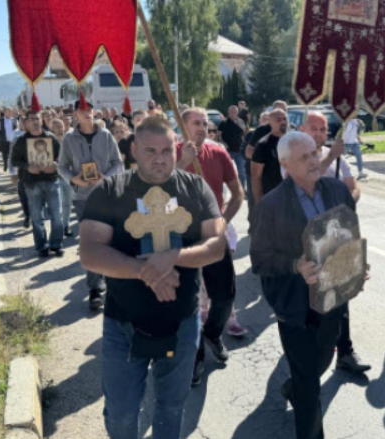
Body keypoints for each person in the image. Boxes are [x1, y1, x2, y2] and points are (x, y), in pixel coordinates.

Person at [79, 116, 225, 439]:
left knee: (171, 408)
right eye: (149, 151)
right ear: (133, 150)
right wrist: (147, 270)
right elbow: (89, 251)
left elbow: (217, 245)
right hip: (123, 323)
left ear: (176, 149)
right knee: (120, 413)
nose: (160, 159)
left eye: (166, 151)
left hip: (182, 321)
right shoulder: (112, 190)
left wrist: (174, 257)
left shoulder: (194, 188)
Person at [250, 131, 362, 439]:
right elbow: (259, 259)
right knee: (310, 387)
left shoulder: (337, 189)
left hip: (333, 298)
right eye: (305, 157)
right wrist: (294, 266)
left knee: (321, 362)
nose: (315, 161)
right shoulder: (271, 206)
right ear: (285, 164)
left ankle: (293, 387)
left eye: (315, 153)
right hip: (296, 306)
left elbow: (350, 233)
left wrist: (356, 266)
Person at [175, 108, 247, 385]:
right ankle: (195, 359)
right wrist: (182, 163)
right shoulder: (170, 153)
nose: (203, 127)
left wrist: (223, 221)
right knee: (190, 301)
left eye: (205, 123)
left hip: (214, 235)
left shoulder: (218, 153)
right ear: (182, 126)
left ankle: (214, 333)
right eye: (196, 123)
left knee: (225, 295)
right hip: (183, 237)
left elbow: (237, 192)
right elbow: (156, 191)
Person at [300, 112, 370, 374]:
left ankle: (345, 350)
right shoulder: (296, 157)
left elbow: (353, 187)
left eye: (323, 129)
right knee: (316, 299)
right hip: (310, 239)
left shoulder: (336, 154)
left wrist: (346, 204)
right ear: (303, 130)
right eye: (314, 129)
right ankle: (309, 358)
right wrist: (330, 157)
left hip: (338, 233)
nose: (320, 133)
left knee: (344, 292)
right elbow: (307, 181)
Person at [58, 100, 123, 309]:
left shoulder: (106, 136)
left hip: (106, 195)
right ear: (76, 113)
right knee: (91, 242)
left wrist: (107, 178)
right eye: (82, 110)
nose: (87, 113)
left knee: (111, 240)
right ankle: (95, 289)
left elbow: (117, 163)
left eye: (90, 110)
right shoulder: (69, 138)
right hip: (82, 198)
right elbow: (62, 166)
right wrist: (73, 179)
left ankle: (114, 283)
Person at [11, 110, 64, 257]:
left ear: (42, 121)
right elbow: (14, 160)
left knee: (57, 215)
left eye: (37, 118)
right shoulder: (21, 141)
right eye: (31, 119)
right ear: (26, 123)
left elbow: (63, 158)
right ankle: (42, 246)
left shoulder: (51, 138)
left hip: (51, 181)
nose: (34, 122)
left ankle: (56, 244)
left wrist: (55, 164)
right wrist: (28, 167)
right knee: (36, 217)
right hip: (32, 183)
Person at [250, 108, 289, 203]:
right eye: (279, 120)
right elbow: (256, 176)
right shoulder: (263, 145)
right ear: (270, 122)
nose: (283, 122)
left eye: (285, 119)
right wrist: (259, 203)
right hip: (272, 198)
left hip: (292, 197)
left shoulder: (293, 141)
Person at [51, 119, 74, 236]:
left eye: (61, 126)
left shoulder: (69, 140)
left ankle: (66, 225)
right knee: (56, 205)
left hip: (67, 176)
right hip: (54, 177)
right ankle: (57, 227)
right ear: (52, 128)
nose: (60, 128)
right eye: (57, 126)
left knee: (67, 203)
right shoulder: (50, 141)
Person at [217, 105, 248, 188]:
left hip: (239, 150)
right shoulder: (223, 123)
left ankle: (242, 189)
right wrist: (223, 143)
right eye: (231, 111)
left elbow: (244, 133)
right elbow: (219, 136)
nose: (233, 113)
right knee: (227, 171)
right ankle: (229, 189)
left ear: (237, 112)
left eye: (235, 111)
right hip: (228, 151)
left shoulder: (241, 122)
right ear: (228, 112)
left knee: (241, 172)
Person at [0, 107, 17, 172]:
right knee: (5, 154)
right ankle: (5, 165)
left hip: (12, 141)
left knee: (12, 154)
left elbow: (18, 129)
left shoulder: (14, 120)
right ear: (4, 113)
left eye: (10, 111)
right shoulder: (0, 120)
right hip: (3, 140)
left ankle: (12, 166)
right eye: (8, 111)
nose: (10, 113)